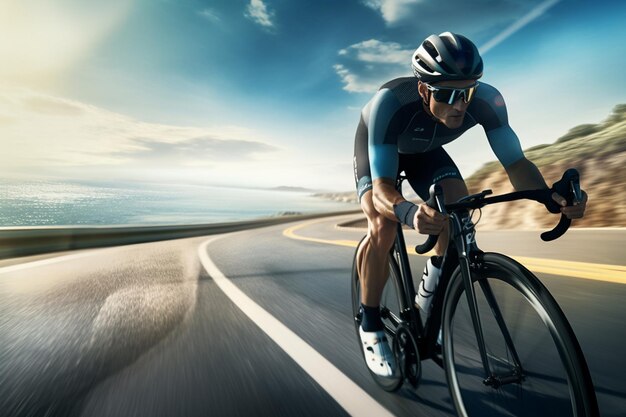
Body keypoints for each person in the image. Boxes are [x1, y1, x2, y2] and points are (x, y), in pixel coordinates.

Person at [352, 31, 588, 377]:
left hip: (426, 153)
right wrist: (408, 211)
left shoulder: (487, 101)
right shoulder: (391, 103)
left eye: (467, 92)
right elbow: (383, 189)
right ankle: (370, 324)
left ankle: (428, 296)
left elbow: (517, 164)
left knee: (456, 212)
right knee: (383, 226)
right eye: (448, 95)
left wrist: (551, 200)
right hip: (380, 153)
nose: (460, 104)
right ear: (423, 90)